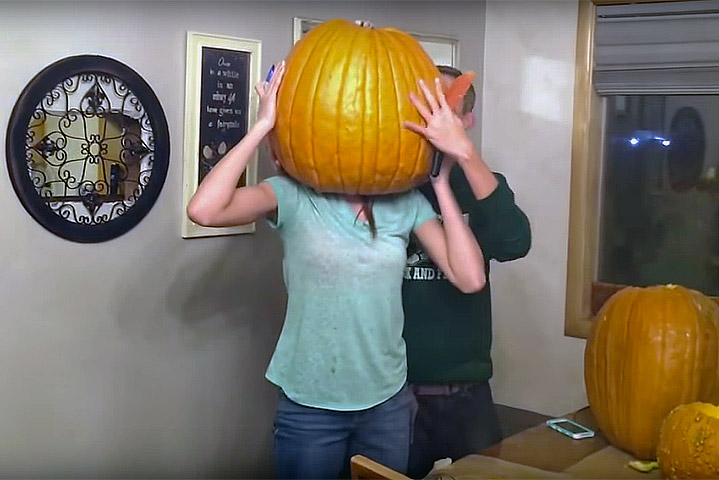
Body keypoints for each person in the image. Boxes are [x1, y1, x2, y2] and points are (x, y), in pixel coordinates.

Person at [187, 60, 487, 479]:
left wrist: (440, 182)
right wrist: (261, 127)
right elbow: (204, 210)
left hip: (387, 401)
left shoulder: (404, 203)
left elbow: (470, 278)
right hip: (311, 403)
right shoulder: (294, 196)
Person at [403, 65, 532, 479]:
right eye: (426, 108)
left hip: (468, 394)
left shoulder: (482, 186)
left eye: (445, 110)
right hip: (396, 394)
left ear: (466, 121)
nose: (433, 121)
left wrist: (464, 155)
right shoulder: (389, 188)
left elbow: (515, 243)